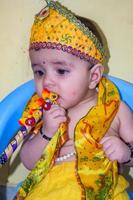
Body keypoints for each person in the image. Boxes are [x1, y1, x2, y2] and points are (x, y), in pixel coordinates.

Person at [14, 0, 133, 199]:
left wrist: (126, 154)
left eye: (61, 70)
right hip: (48, 190)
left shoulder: (115, 109)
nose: (47, 81)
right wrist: (46, 133)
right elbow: (28, 162)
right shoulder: (41, 111)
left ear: (93, 77)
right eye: (39, 72)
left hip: (103, 192)